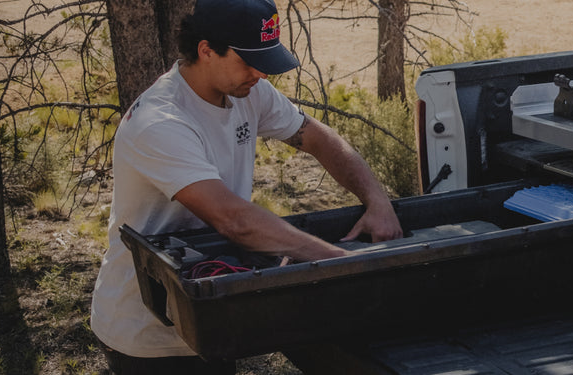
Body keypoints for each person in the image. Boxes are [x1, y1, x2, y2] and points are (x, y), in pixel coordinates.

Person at [91, 0, 403, 372]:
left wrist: (377, 201)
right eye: (248, 61)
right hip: (149, 332)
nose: (261, 74)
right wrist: (340, 263)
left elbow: (317, 137)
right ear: (206, 50)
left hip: (212, 312)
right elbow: (233, 219)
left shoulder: (248, 91)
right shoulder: (161, 121)